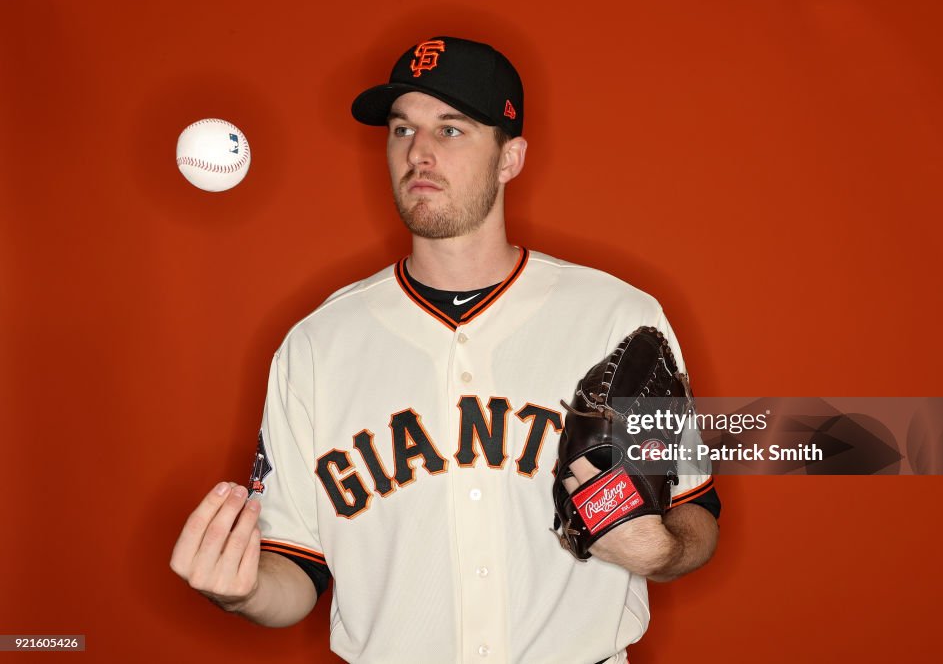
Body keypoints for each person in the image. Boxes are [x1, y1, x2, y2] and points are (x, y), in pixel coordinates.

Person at [170, 36, 721, 664]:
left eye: (452, 130)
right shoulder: (317, 346)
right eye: (401, 129)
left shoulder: (618, 319)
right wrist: (242, 593)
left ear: (509, 158)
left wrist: (664, 551)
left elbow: (696, 515)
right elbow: (299, 573)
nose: (419, 152)